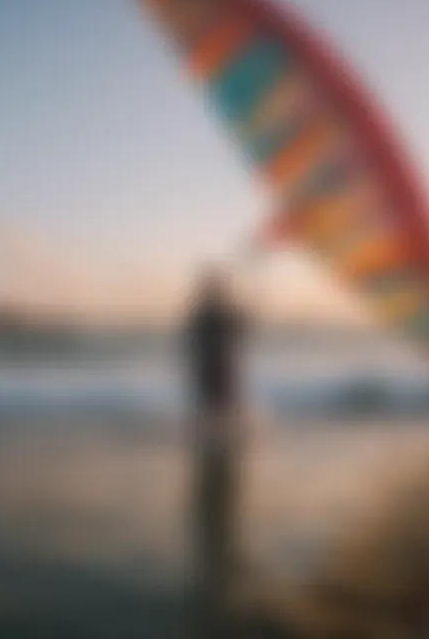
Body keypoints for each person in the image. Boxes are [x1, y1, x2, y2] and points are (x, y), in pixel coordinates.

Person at [183, 266, 248, 638]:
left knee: (220, 414)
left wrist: (241, 316)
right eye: (213, 288)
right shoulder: (206, 313)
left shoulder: (214, 312)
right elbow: (195, 340)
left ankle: (217, 442)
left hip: (220, 372)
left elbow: (242, 332)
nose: (214, 292)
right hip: (213, 372)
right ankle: (214, 442)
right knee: (214, 414)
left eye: (214, 288)